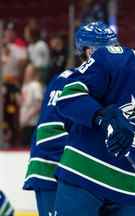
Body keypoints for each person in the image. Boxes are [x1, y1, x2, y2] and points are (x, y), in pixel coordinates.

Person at [54, 10, 135, 216]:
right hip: (83, 179)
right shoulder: (111, 59)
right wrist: (103, 116)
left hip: (129, 194)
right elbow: (68, 97)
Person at [23, 21, 119, 216]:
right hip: (52, 172)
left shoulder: (97, 82)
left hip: (74, 176)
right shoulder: (68, 81)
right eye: (107, 49)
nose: (114, 55)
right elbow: (49, 136)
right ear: (89, 52)